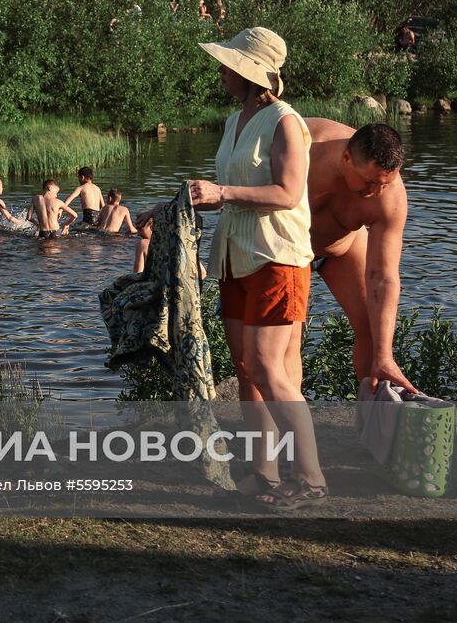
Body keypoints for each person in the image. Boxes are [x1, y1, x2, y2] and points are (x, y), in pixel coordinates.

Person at [140, 27, 326, 510]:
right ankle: (264, 473)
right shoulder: (233, 122)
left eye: (227, 63)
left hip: (277, 257)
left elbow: (287, 193)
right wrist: (166, 208)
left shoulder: (286, 121)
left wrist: (222, 194)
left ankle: (311, 479)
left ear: (251, 71)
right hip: (233, 257)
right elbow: (219, 191)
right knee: (247, 371)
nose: (220, 69)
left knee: (269, 368)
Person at [306, 120, 415, 392]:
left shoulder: (389, 196)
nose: (375, 192)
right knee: (283, 345)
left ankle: (372, 421)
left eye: (384, 184)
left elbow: (384, 277)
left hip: (341, 247)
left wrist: (384, 355)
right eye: (369, 182)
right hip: (285, 248)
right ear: (346, 158)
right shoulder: (303, 150)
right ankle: (285, 428)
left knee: (373, 329)